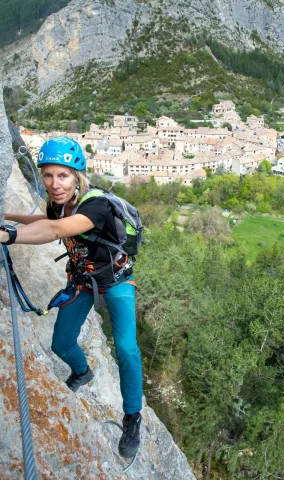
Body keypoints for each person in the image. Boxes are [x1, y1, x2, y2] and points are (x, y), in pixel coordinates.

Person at [0, 136, 143, 459]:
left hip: (116, 280)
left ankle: (132, 417)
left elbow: (54, 231)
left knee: (127, 349)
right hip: (83, 280)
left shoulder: (97, 206)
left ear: (77, 176)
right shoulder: (58, 203)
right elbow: (49, 221)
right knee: (61, 343)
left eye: (62, 175)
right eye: (48, 175)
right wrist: (9, 216)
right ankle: (82, 371)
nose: (54, 184)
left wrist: (7, 236)